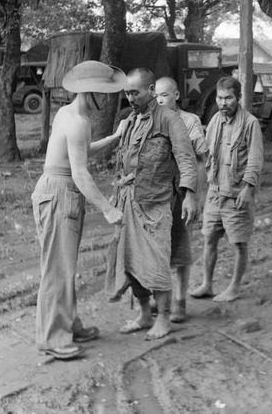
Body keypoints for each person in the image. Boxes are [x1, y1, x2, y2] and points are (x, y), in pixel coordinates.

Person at [32, 61, 126, 360]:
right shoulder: (78, 121)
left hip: (58, 190)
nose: (108, 97)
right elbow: (81, 172)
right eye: (105, 92)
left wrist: (111, 139)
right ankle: (53, 338)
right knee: (57, 270)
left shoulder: (71, 114)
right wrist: (108, 207)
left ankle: (69, 325)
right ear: (90, 91)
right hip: (61, 191)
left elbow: (80, 151)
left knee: (65, 267)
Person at [106, 68, 198, 340]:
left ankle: (164, 319)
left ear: (150, 90)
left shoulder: (170, 119)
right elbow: (124, 157)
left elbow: (186, 159)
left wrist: (190, 194)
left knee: (157, 263)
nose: (129, 97)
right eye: (126, 92)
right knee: (130, 260)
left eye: (134, 92)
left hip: (157, 203)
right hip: (128, 200)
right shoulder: (131, 120)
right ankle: (145, 314)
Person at [190, 76, 263, 302]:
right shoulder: (214, 121)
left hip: (236, 195)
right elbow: (206, 155)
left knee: (239, 243)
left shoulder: (250, 123)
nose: (223, 103)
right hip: (215, 193)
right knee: (209, 238)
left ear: (238, 98)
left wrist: (248, 189)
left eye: (228, 98)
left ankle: (234, 287)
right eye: (220, 98)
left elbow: (255, 158)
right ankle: (207, 284)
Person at [155, 76, 208, 323]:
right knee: (156, 250)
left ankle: (180, 300)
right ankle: (159, 300)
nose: (159, 99)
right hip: (157, 195)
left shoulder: (189, 121)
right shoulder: (152, 121)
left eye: (164, 95)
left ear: (176, 95)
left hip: (179, 194)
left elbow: (200, 160)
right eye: (156, 95)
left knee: (180, 248)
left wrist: (192, 196)